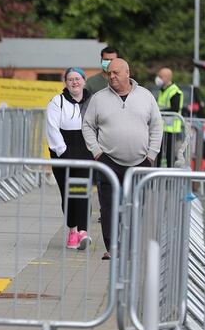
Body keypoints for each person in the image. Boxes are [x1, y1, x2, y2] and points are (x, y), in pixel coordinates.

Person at [82, 58, 163, 260]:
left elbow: (156, 126)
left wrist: (152, 155)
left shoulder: (145, 96)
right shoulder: (99, 98)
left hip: (140, 162)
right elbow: (87, 126)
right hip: (108, 160)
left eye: (116, 73)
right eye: (109, 73)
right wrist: (96, 152)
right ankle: (112, 247)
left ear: (128, 73)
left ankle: (131, 246)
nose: (112, 76)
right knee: (108, 206)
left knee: (136, 206)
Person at [45, 67, 94, 250]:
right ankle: (72, 229)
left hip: (84, 150)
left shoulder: (92, 101)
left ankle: (83, 231)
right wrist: (63, 152)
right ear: (66, 83)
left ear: (84, 80)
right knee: (68, 193)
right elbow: (52, 127)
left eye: (77, 78)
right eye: (70, 79)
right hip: (63, 152)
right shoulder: (57, 102)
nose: (74, 82)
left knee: (81, 190)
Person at [154, 67, 184, 168]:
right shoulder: (162, 90)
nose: (158, 78)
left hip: (171, 130)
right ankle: (156, 174)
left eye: (160, 76)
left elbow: (175, 109)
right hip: (161, 128)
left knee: (169, 156)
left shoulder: (174, 91)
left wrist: (159, 111)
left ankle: (169, 178)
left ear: (167, 78)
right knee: (157, 153)